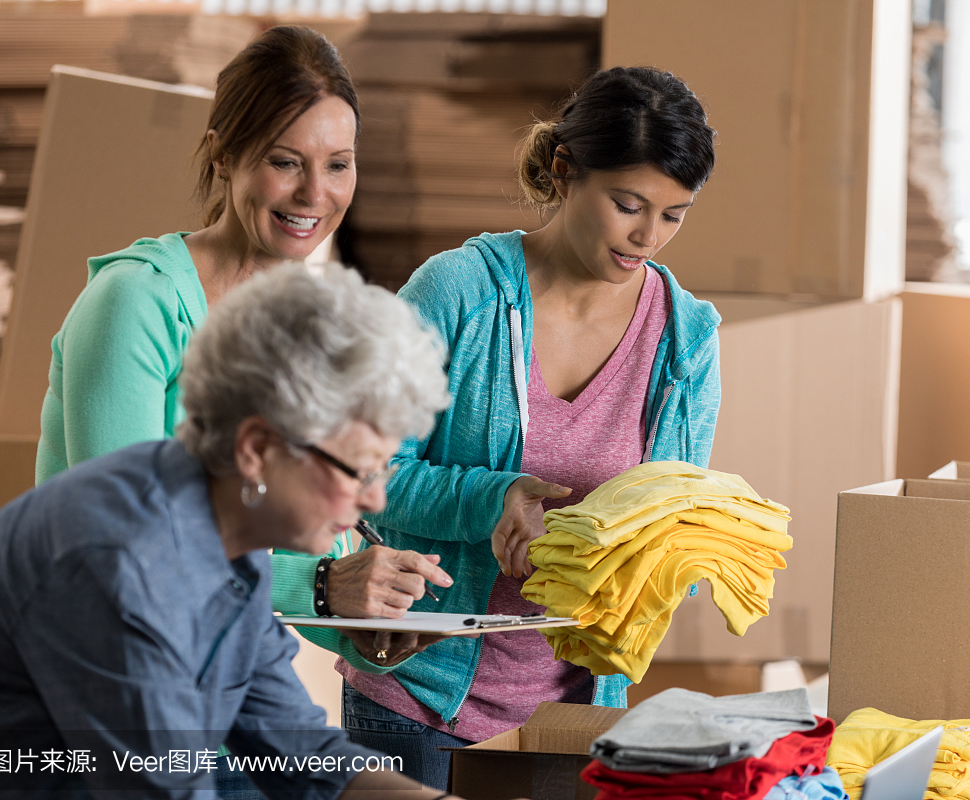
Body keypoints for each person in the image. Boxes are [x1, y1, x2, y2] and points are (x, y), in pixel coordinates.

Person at [283, 66, 723, 788]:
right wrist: (493, 497)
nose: (647, 236)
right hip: (418, 701)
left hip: (578, 717)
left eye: (673, 215)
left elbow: (677, 524)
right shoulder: (454, 292)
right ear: (565, 168)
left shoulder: (686, 338)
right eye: (627, 204)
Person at [0, 263, 463, 799]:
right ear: (256, 449)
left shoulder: (227, 545)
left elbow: (304, 757)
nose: (375, 500)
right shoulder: (120, 562)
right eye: (359, 471)